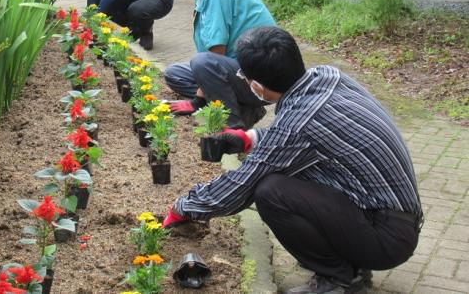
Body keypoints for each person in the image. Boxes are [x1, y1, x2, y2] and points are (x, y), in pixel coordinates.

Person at [162, 26, 423, 294]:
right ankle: (347, 261)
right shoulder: (328, 76)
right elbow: (301, 140)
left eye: (243, 75)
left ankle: (340, 279)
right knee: (288, 172)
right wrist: (248, 138)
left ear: (256, 86)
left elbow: (240, 188)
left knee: (270, 191)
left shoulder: (301, 121)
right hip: (391, 216)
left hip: (386, 238)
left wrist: (183, 207)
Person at [164, 0, 276, 129]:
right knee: (175, 73)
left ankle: (232, 126)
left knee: (202, 64)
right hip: (238, 69)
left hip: (261, 80)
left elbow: (215, 54)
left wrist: (197, 101)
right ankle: (244, 106)